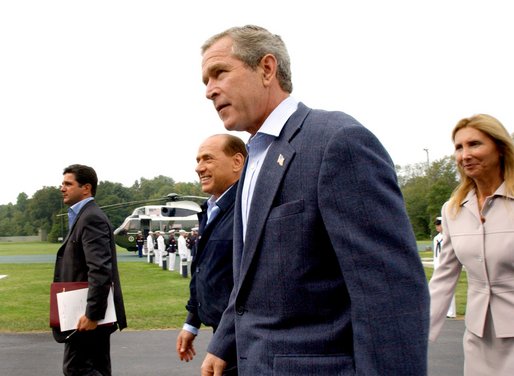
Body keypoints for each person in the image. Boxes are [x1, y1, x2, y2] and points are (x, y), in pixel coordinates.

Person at [199, 25, 430, 375]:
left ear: (266, 68)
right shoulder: (254, 159)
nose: (209, 91)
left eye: (220, 73)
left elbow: (389, 292)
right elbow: (248, 282)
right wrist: (223, 343)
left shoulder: (337, 142)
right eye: (205, 81)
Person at [429, 114, 514, 375]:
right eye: (458, 147)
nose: (465, 155)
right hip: (478, 337)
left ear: (500, 149)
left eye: (475, 144)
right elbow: (443, 279)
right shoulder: (452, 209)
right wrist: (417, 333)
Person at [176, 134, 246, 374]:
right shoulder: (211, 208)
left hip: (241, 340)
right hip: (223, 334)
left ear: (238, 162)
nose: (199, 167)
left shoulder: (247, 209)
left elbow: (246, 286)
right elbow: (203, 269)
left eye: (208, 159)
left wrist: (222, 347)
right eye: (198, 160)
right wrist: (191, 322)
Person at [53, 164, 127, 375]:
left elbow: (100, 269)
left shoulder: (90, 217)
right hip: (86, 312)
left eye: (68, 183)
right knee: (97, 368)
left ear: (86, 188)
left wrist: (92, 314)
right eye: (62, 183)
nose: (62, 188)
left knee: (76, 368)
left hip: (86, 315)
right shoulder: (83, 216)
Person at [432, 216, 456, 318]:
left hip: (446, 265)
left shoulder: (449, 236)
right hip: (437, 265)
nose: (437, 227)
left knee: (448, 288)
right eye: (436, 225)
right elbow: (435, 254)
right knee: (437, 289)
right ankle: (441, 311)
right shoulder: (436, 238)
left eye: (439, 224)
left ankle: (451, 312)